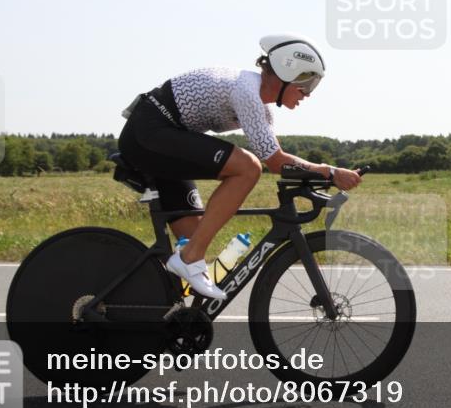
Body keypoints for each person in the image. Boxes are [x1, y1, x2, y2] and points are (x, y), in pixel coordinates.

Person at [117, 34, 362, 300]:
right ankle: (187, 260)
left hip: (162, 139)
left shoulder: (260, 107)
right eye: (307, 82)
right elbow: (274, 160)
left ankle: (171, 315)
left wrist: (324, 174)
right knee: (247, 167)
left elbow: (282, 161)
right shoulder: (246, 92)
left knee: (194, 240)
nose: (308, 93)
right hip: (149, 134)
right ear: (285, 72)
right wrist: (331, 172)